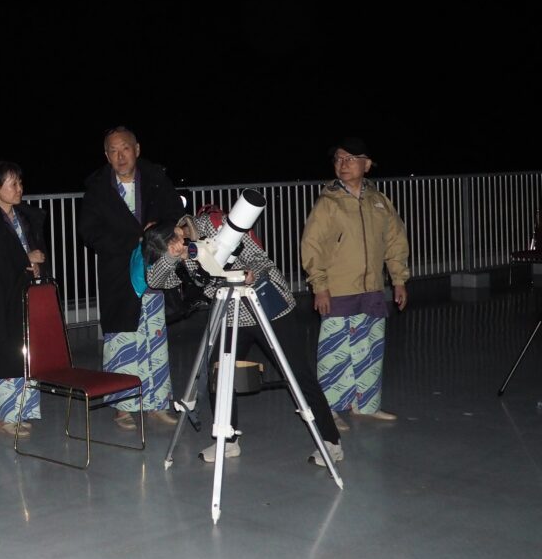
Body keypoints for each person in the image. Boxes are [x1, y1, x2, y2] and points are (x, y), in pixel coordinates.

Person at [144, 216, 343, 466]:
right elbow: (156, 280)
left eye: (176, 241)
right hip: (230, 314)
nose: (180, 249)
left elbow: (261, 260)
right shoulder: (178, 258)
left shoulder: (215, 228)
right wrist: (173, 257)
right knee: (219, 376)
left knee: (298, 373)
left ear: (177, 229)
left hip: (268, 307)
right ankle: (227, 440)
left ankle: (331, 441)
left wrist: (252, 274)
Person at [301, 138, 410, 428]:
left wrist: (398, 280)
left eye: (350, 158)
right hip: (338, 288)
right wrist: (319, 285)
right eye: (338, 159)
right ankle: (330, 410)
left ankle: (366, 404)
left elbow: (395, 241)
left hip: (372, 287)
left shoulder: (379, 201)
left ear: (367, 164)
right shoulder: (329, 202)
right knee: (334, 352)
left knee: (371, 348)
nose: (343, 164)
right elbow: (312, 246)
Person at [80, 127, 184, 429]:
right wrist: (131, 241)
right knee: (123, 338)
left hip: (154, 269)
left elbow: (174, 214)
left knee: (154, 336)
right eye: (113, 151)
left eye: (125, 148)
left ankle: (157, 402)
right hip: (118, 273)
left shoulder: (155, 179)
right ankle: (123, 407)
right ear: (106, 155)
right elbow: (89, 231)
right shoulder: (98, 188)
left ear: (137, 149)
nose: (120, 156)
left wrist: (157, 231)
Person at [0, 161, 46, 437]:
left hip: (22, 292)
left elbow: (31, 251)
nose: (19, 189)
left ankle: (17, 411)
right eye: (12, 184)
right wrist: (25, 260)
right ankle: (5, 416)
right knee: (5, 350)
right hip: (0, 296)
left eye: (20, 183)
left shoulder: (22, 217)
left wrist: (35, 264)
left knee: (24, 351)